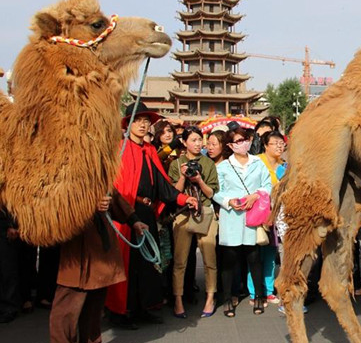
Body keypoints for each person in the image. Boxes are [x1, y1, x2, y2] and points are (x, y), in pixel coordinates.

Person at [105, 104, 198, 328]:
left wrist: (185, 199)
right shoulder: (120, 149)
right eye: (138, 120)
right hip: (126, 215)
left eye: (146, 120)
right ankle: (120, 312)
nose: (143, 124)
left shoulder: (148, 151)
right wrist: (128, 215)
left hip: (146, 214)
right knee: (127, 266)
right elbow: (116, 188)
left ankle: (142, 309)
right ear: (128, 123)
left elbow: (163, 188)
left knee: (146, 265)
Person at [49, 194, 139, 343]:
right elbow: (52, 202)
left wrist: (134, 221)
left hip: (98, 244)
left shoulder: (97, 167)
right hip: (76, 246)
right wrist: (88, 203)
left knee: (95, 301)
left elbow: (112, 195)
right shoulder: (65, 166)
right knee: (67, 307)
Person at [212, 127, 272, 317]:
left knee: (253, 257)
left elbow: (267, 185)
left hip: (252, 215)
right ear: (230, 145)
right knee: (230, 259)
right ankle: (228, 298)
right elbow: (216, 191)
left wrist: (256, 195)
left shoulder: (258, 163)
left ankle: (259, 297)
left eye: (244, 140)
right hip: (231, 216)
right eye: (237, 141)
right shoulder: (222, 167)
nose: (242, 144)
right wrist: (229, 201)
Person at [168, 125, 219, 319]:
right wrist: (182, 175)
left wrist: (198, 180)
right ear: (184, 142)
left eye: (200, 140)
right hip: (183, 213)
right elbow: (174, 193)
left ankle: (210, 298)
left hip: (204, 211)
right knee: (180, 260)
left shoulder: (208, 163)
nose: (198, 144)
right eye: (194, 140)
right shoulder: (176, 163)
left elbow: (211, 193)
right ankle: (178, 300)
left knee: (209, 259)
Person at [250, 130, 287, 305]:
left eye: (282, 143)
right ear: (265, 145)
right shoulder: (256, 162)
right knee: (256, 253)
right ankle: (254, 291)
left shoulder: (284, 166)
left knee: (272, 253)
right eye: (275, 143)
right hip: (259, 213)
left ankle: (269, 289)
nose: (280, 146)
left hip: (278, 214)